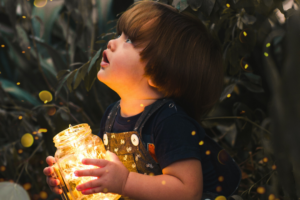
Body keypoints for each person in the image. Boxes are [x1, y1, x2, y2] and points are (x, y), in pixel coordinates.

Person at [43, 1, 241, 200]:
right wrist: (75, 177)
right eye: (119, 35)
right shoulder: (112, 115)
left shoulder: (171, 122)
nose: (112, 42)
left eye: (128, 40)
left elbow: (189, 191)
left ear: (158, 75)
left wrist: (124, 182)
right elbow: (111, 177)